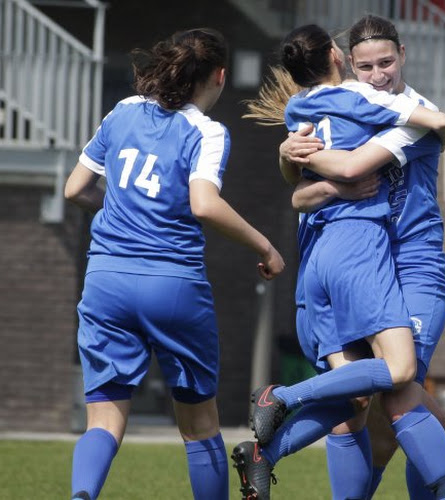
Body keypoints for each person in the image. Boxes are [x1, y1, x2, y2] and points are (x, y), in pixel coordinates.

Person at [230, 24, 445, 500]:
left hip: (411, 265)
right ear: (346, 63)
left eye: (386, 63)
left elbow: (352, 168)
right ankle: (272, 439)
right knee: (359, 400)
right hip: (355, 261)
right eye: (366, 67)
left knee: (401, 396)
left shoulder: (405, 114)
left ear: (403, 54)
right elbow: (300, 199)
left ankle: (273, 433)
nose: (377, 76)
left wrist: (298, 157)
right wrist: (287, 155)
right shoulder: (353, 105)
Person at [63, 28, 285, 500]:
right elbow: (203, 204)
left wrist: (123, 214)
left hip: (106, 280)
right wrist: (265, 247)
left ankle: (82, 494)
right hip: (172, 284)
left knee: (103, 420)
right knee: (200, 425)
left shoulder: (122, 112)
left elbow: (75, 189)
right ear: (221, 77)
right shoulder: (207, 131)